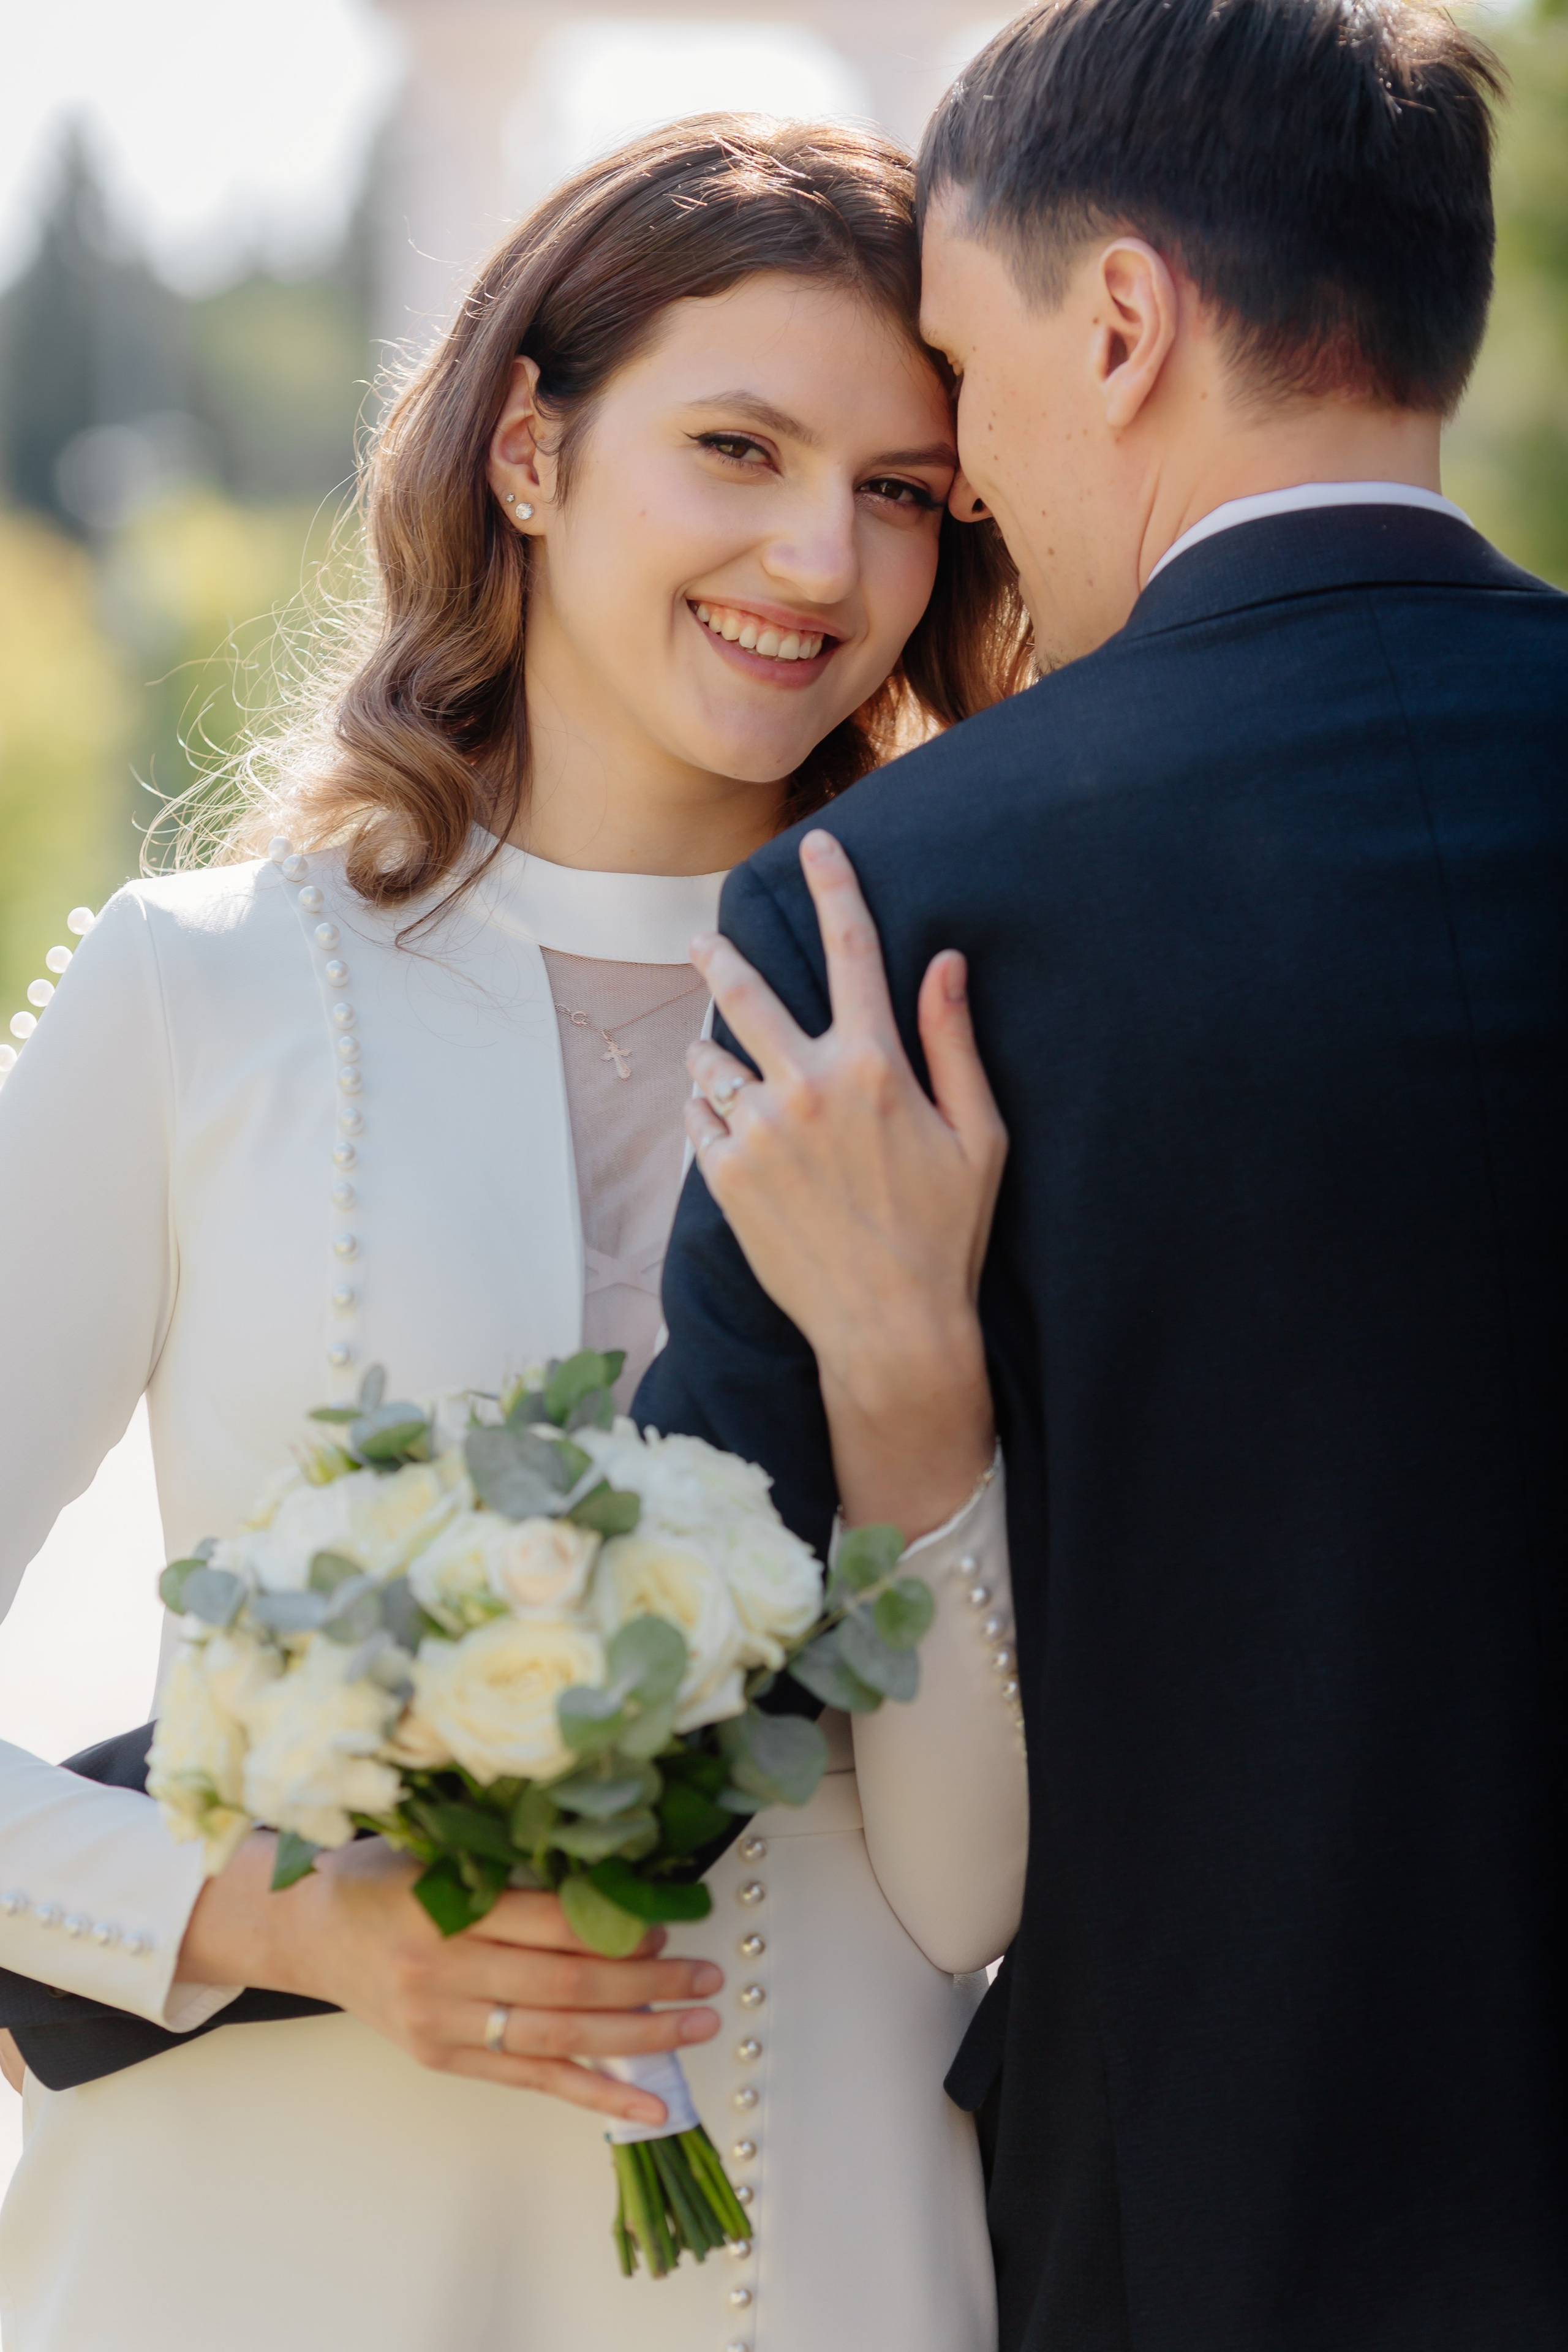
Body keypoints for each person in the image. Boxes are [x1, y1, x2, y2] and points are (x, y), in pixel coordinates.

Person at [0, 119, 1033, 2352]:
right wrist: (292, 1922)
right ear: (532, 453)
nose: (817, 554)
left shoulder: (977, 1039)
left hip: (815, 2241)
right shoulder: (200, 994)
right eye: (739, 446)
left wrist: (914, 1382)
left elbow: (966, 1894)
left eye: (901, 491)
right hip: (256, 2249)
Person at [638, 4, 1568, 2347]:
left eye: (960, 380)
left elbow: (684, 1646)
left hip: (1205, 2244)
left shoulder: (895, 906)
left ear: (1125, 323)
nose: (962, 479)